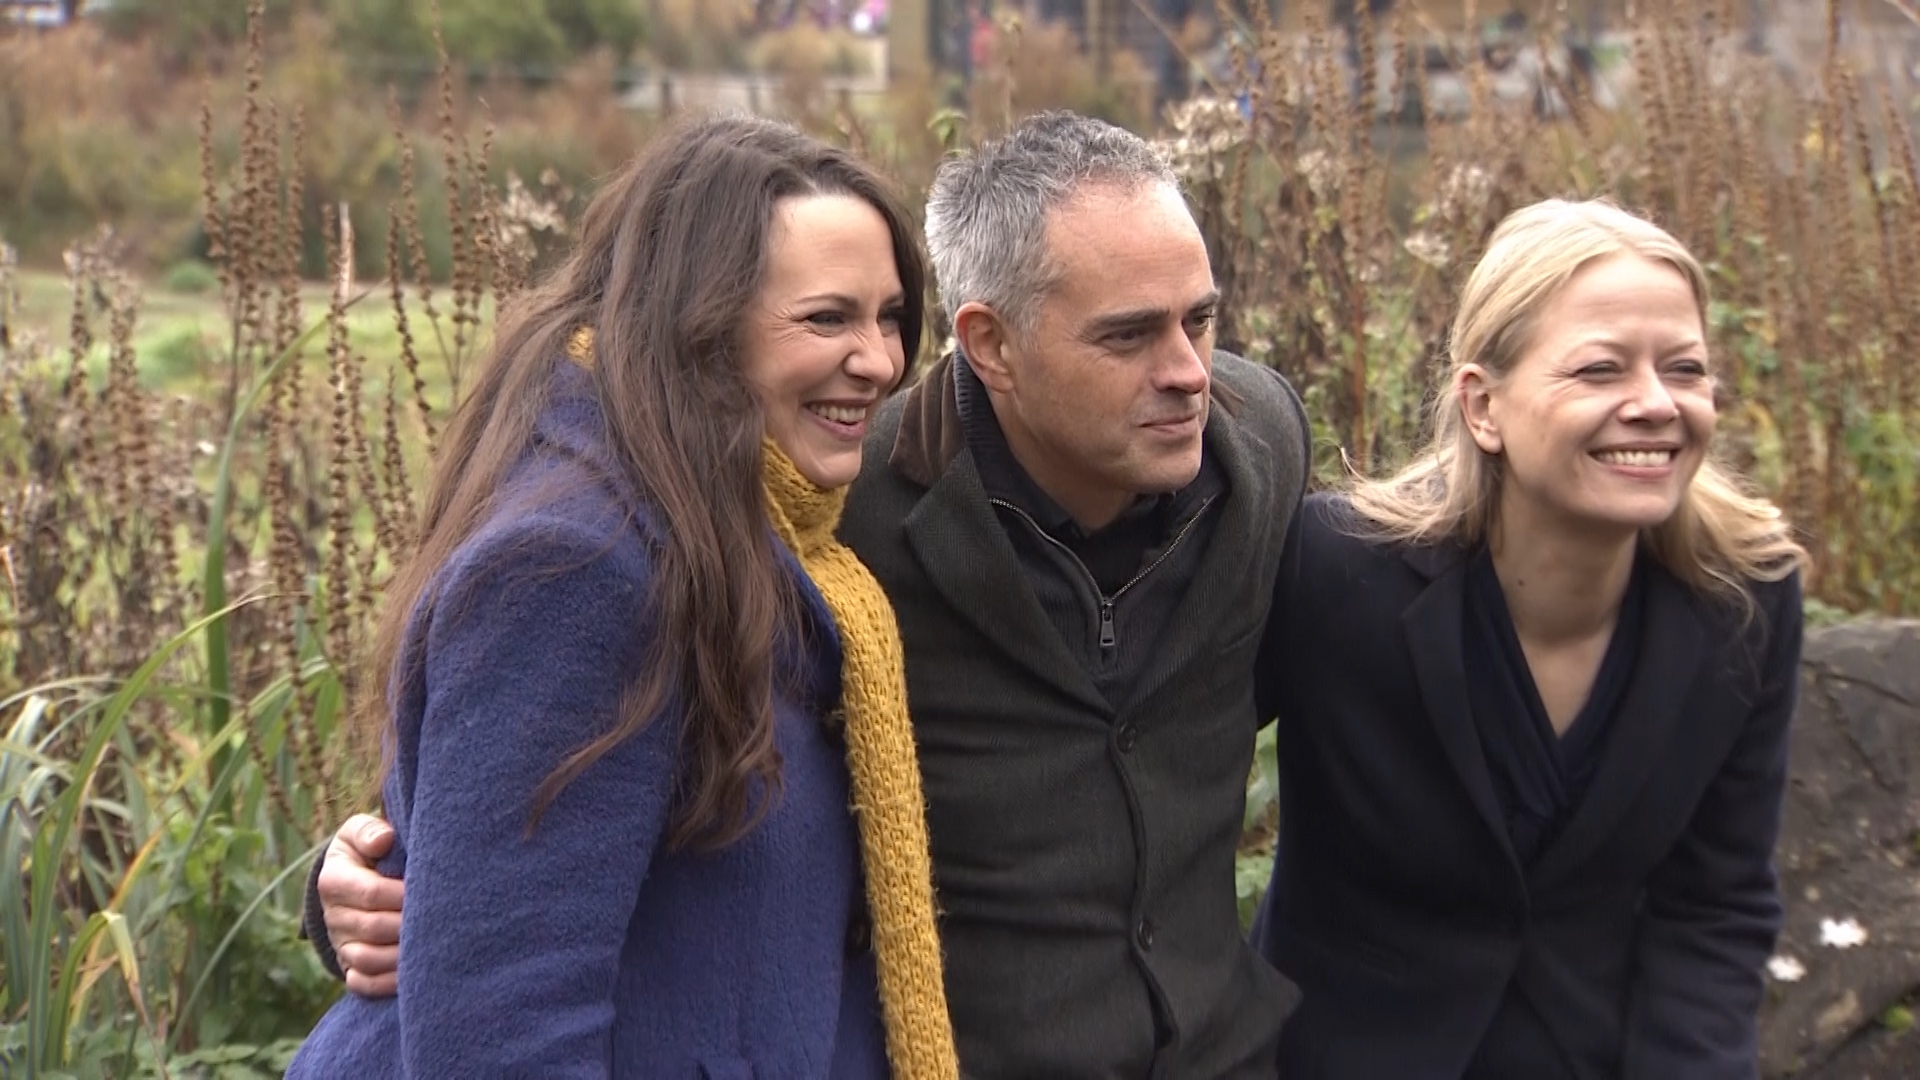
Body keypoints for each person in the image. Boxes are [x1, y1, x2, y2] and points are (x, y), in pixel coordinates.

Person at [303, 111, 1313, 1076]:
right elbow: (510, 881)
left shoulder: (1256, 448)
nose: (1187, 371)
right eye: (1129, 334)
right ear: (989, 343)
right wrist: (360, 881)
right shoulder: (788, 521)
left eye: (1204, 320)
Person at [286, 114, 958, 1078]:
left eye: (890, 316)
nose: (881, 359)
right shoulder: (573, 568)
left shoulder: (782, 531)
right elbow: (502, 1037)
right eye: (827, 318)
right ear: (699, 325)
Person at [1250, 198, 1806, 1078]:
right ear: (1483, 407)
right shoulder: (1335, 574)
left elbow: (1715, 906)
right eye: (1600, 370)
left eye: (1686, 369)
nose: (1657, 404)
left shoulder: (1745, 602)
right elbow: (1173, 797)